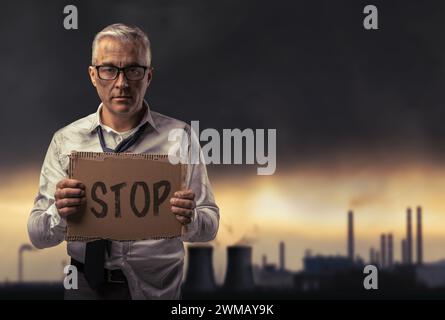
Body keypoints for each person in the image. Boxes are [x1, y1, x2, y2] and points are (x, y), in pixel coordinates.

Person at [27, 23, 219, 300]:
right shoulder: (64, 141)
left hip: (155, 289)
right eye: (108, 70)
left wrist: (190, 219)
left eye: (133, 70)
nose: (121, 83)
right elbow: (37, 235)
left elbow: (210, 225)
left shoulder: (181, 137)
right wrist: (60, 212)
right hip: (83, 285)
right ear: (93, 75)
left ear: (148, 76)